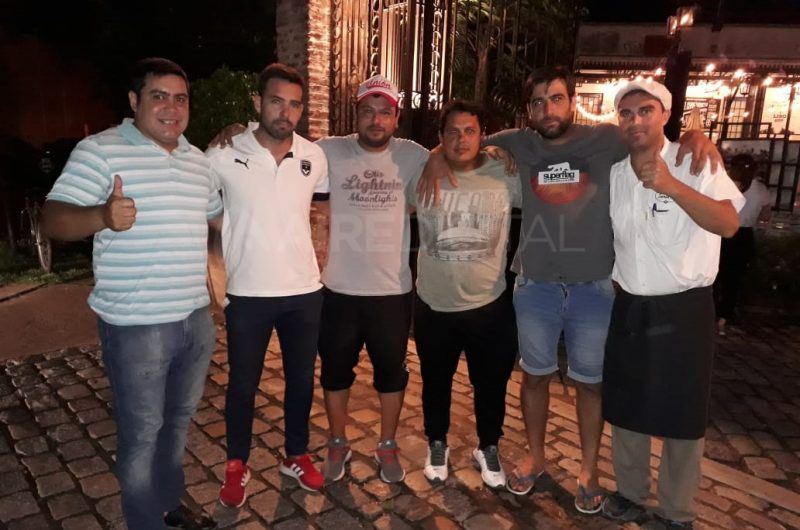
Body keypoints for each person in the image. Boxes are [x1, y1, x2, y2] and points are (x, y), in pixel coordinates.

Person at [417, 66, 722, 513]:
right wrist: (433, 157)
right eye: (538, 102)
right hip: (535, 286)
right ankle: (536, 458)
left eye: (556, 98)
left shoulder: (607, 138)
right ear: (529, 110)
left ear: (572, 102)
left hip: (593, 288)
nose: (548, 109)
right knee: (534, 377)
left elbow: (651, 137)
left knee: (590, 385)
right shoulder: (518, 142)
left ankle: (588, 471)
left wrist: (695, 135)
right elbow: (462, 142)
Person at [41, 57, 220, 530]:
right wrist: (102, 216)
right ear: (134, 101)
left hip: (195, 320)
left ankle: (169, 505)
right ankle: (146, 521)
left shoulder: (198, 161)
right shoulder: (100, 151)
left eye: (180, 98)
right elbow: (54, 219)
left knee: (177, 424)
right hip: (137, 327)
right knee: (142, 434)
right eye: (159, 97)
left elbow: (219, 222)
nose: (171, 108)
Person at [601, 79, 743, 528]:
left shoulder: (693, 161)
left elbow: (728, 223)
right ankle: (630, 492)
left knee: (683, 411)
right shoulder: (616, 174)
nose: (635, 120)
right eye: (626, 113)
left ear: (665, 115)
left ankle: (676, 511)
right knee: (626, 404)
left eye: (645, 110)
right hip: (630, 303)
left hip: (685, 307)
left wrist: (671, 185)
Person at [207, 63, 330, 503]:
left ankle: (296, 454)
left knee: (301, 380)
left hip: (304, 292)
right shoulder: (222, 153)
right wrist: (218, 274)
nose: (286, 112)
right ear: (258, 102)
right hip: (248, 293)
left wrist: (321, 259)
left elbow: (325, 206)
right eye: (277, 101)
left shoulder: (314, 157)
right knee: (243, 384)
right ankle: (236, 465)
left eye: (295, 105)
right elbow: (207, 214)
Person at [315, 75, 428, 484]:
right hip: (338, 289)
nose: (376, 120)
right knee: (334, 371)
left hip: (391, 292)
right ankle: (337, 441)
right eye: (368, 111)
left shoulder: (414, 155)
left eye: (384, 112)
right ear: (356, 114)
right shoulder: (329, 150)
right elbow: (282, 149)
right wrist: (236, 134)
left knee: (391, 374)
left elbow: (455, 158)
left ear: (396, 118)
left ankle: (387, 444)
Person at [410, 100, 520, 489]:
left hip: (488, 303)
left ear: (482, 136)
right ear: (440, 137)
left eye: (470, 131)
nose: (461, 139)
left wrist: (501, 150)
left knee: (491, 383)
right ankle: (436, 442)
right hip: (434, 302)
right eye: (452, 132)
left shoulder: (504, 174)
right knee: (435, 380)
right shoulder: (422, 172)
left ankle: (488, 446)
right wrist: (433, 158)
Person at [714, 153, 772, 335]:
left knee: (713, 277)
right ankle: (723, 319)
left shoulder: (723, 184)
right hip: (744, 237)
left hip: (721, 235)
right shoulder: (760, 189)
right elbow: (766, 216)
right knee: (734, 281)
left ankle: (708, 314)